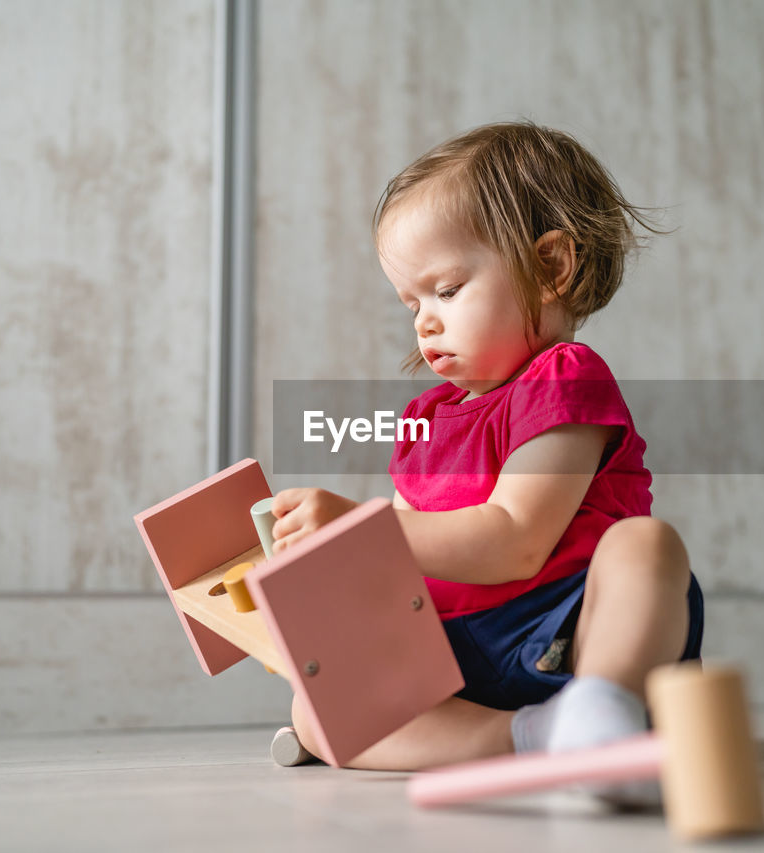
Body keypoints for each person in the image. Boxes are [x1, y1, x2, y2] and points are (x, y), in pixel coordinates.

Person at [270, 121, 702, 789]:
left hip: (572, 625)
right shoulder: (424, 420)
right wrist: (327, 584)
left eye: (445, 290)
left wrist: (361, 527)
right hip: (456, 648)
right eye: (411, 302)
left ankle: (604, 703)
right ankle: (530, 736)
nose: (424, 320)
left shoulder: (564, 377)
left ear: (550, 267)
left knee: (647, 546)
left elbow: (516, 539)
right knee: (314, 708)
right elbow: (404, 565)